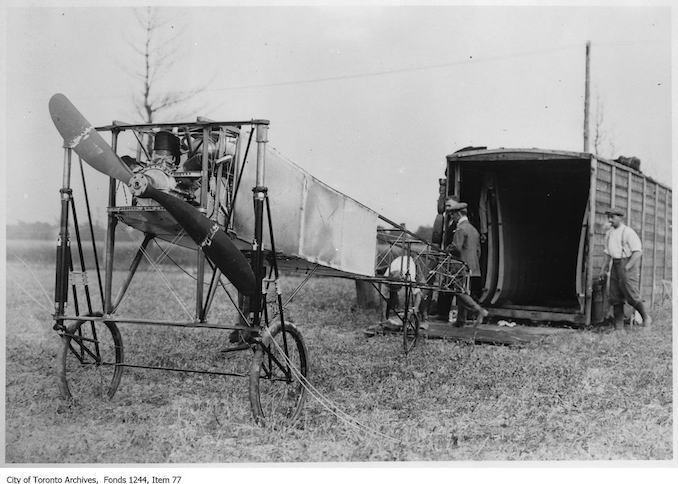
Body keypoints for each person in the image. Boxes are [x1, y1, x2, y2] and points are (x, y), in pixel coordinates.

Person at [599, 207, 652, 330]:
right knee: (615, 296)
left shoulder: (628, 232)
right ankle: (619, 328)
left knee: (631, 294)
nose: (610, 220)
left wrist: (627, 267)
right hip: (615, 265)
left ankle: (646, 318)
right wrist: (603, 270)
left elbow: (638, 252)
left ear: (620, 217)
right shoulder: (609, 233)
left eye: (612, 217)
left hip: (627, 264)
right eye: (609, 217)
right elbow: (607, 254)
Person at [446, 202, 483, 323]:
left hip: (461, 265)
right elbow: (478, 251)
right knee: (464, 291)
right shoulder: (473, 230)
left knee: (459, 291)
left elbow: (456, 247)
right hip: (473, 266)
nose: (452, 217)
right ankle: (461, 321)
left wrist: (447, 249)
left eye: (452, 215)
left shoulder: (460, 229)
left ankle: (478, 310)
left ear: (458, 214)